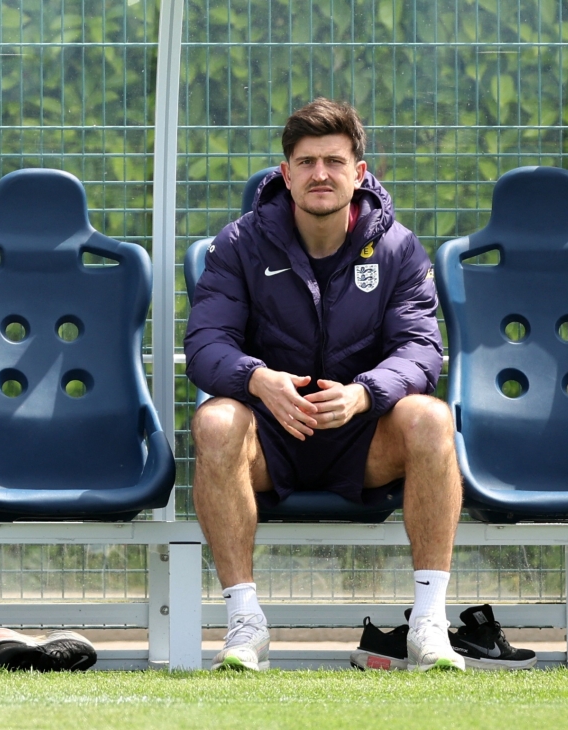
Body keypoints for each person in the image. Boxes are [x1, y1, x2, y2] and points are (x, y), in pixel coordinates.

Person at [184, 98, 464, 672]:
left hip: (360, 437)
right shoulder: (238, 245)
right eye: (306, 162)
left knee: (433, 417)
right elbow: (205, 345)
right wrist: (258, 381)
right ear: (284, 174)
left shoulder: (398, 248)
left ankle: (431, 624)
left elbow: (422, 350)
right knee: (214, 420)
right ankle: (245, 625)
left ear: (359, 172)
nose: (320, 174)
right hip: (271, 437)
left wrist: (365, 392)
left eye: (334, 161)